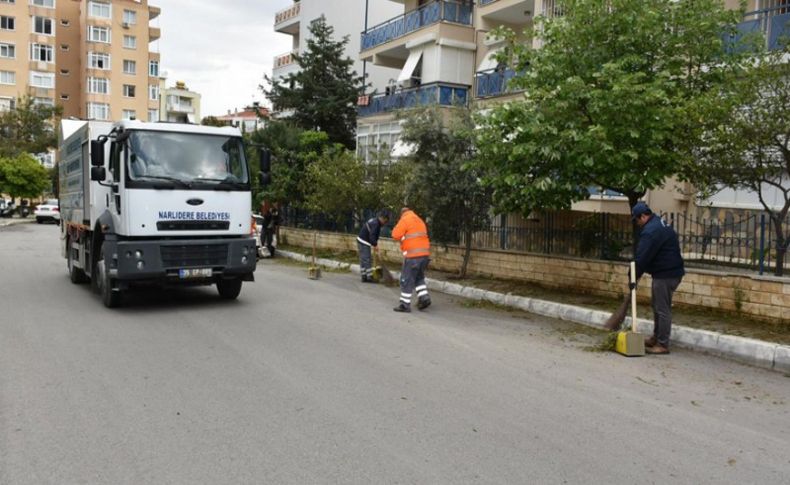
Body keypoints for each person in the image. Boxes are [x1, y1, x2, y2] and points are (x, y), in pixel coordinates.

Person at [632, 202, 685, 355]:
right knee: (657, 306)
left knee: (662, 309)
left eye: (637, 220)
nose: (637, 224)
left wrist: (633, 274)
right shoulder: (658, 223)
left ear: (643, 216)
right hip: (668, 272)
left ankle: (663, 344)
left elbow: (642, 256)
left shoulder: (651, 231)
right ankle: (656, 337)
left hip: (666, 274)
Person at [391, 207, 431, 313]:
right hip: (424, 255)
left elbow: (395, 235)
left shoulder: (405, 219)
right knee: (418, 277)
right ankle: (424, 297)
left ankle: (405, 305)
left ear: (402, 214)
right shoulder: (419, 220)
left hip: (413, 255)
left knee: (406, 279)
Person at [357, 210, 390, 283]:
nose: (385, 223)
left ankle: (364, 276)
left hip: (361, 240)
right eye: (385, 221)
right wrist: (375, 244)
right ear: (382, 218)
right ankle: (369, 277)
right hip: (364, 241)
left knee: (363, 259)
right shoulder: (376, 224)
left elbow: (374, 235)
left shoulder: (375, 221)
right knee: (367, 259)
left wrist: (375, 243)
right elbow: (372, 236)